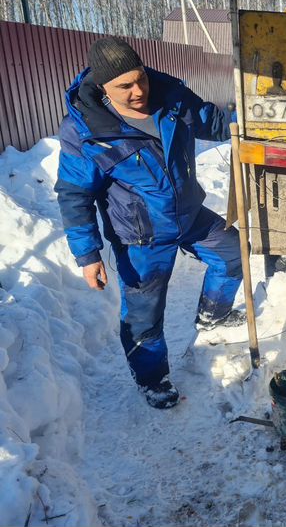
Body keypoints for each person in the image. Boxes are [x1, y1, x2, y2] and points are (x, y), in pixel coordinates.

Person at [55, 38, 245, 409]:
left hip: (190, 216)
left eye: (139, 78)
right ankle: (153, 379)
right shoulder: (85, 130)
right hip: (140, 236)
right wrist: (88, 254)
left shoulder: (170, 97)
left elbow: (216, 122)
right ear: (102, 86)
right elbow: (75, 195)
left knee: (234, 253)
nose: (138, 90)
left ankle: (212, 316)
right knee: (144, 315)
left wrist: (258, 117)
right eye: (124, 86)